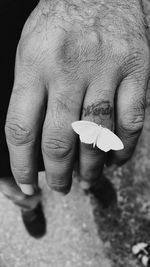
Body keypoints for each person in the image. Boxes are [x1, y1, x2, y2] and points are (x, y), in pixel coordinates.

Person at [1, 0, 150, 238]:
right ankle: (27, 201)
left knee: (82, 138)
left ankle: (89, 180)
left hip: (36, 23)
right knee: (12, 163)